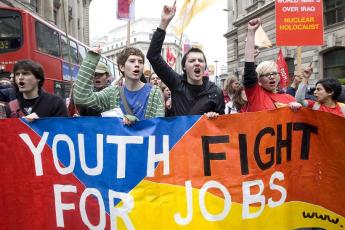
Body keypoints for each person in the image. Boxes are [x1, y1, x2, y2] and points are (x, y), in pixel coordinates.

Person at [146, 2, 224, 117]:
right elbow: (153, 56)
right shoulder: (176, 83)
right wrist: (164, 23)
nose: (197, 63)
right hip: (180, 135)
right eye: (192, 61)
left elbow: (224, 125)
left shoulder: (215, 92)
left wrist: (215, 117)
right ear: (184, 67)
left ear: (205, 67)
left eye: (200, 61)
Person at [73, 47, 165, 125]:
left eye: (140, 62)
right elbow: (81, 98)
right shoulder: (112, 93)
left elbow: (159, 126)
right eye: (132, 61)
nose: (137, 65)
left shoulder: (155, 93)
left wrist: (138, 124)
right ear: (122, 67)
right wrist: (91, 59)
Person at [243, 18, 299, 112]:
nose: (272, 77)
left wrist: (298, 109)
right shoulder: (255, 94)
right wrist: (251, 32)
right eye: (267, 75)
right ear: (259, 79)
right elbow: (249, 70)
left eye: (274, 73)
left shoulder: (290, 98)